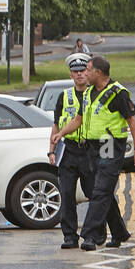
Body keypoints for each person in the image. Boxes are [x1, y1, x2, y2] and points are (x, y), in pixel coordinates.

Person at [54, 54, 135, 251]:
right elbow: (78, 119)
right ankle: (119, 232)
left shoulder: (117, 93)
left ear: (98, 72)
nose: (84, 73)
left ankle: (90, 236)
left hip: (109, 144)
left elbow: (132, 123)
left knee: (101, 189)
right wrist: (61, 133)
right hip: (91, 146)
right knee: (98, 191)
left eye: (87, 69)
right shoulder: (88, 93)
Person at [48, 51, 98, 249]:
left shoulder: (95, 94)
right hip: (68, 150)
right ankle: (70, 236)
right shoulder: (64, 96)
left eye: (82, 71)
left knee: (93, 193)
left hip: (89, 151)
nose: (79, 75)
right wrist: (51, 150)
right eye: (75, 71)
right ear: (71, 75)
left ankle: (93, 234)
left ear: (88, 72)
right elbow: (56, 125)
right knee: (67, 193)